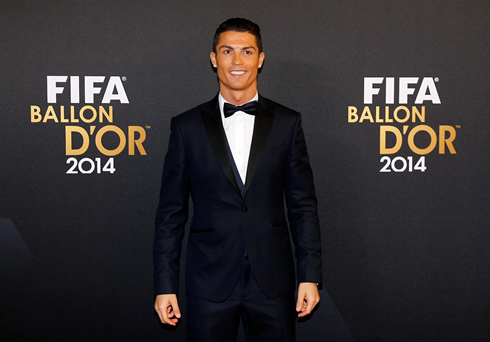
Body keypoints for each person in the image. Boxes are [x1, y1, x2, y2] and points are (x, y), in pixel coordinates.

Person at [154, 18, 323, 342]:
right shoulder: (186, 126)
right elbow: (170, 214)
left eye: (247, 51)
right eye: (227, 51)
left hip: (273, 281)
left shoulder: (287, 123)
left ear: (260, 59)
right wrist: (165, 285)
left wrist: (310, 275)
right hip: (208, 281)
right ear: (214, 58)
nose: (237, 61)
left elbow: (303, 206)